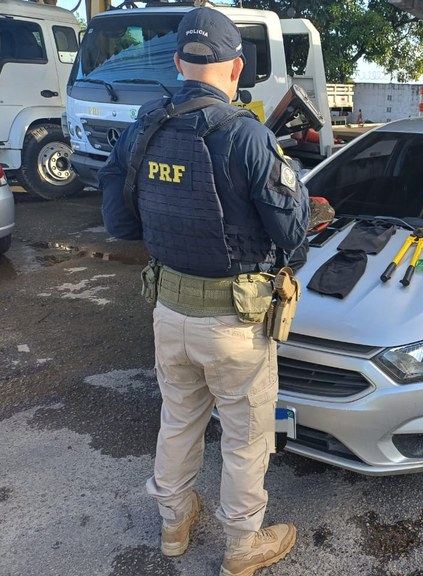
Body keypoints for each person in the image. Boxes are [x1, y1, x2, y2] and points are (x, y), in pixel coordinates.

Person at [98, 7, 309, 576]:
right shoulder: (246, 134)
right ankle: (242, 545)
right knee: (244, 437)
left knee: (179, 419)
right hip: (235, 325)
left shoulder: (146, 123)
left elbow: (119, 220)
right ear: (236, 67)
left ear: (177, 63)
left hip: (169, 311)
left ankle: (174, 524)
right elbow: (292, 234)